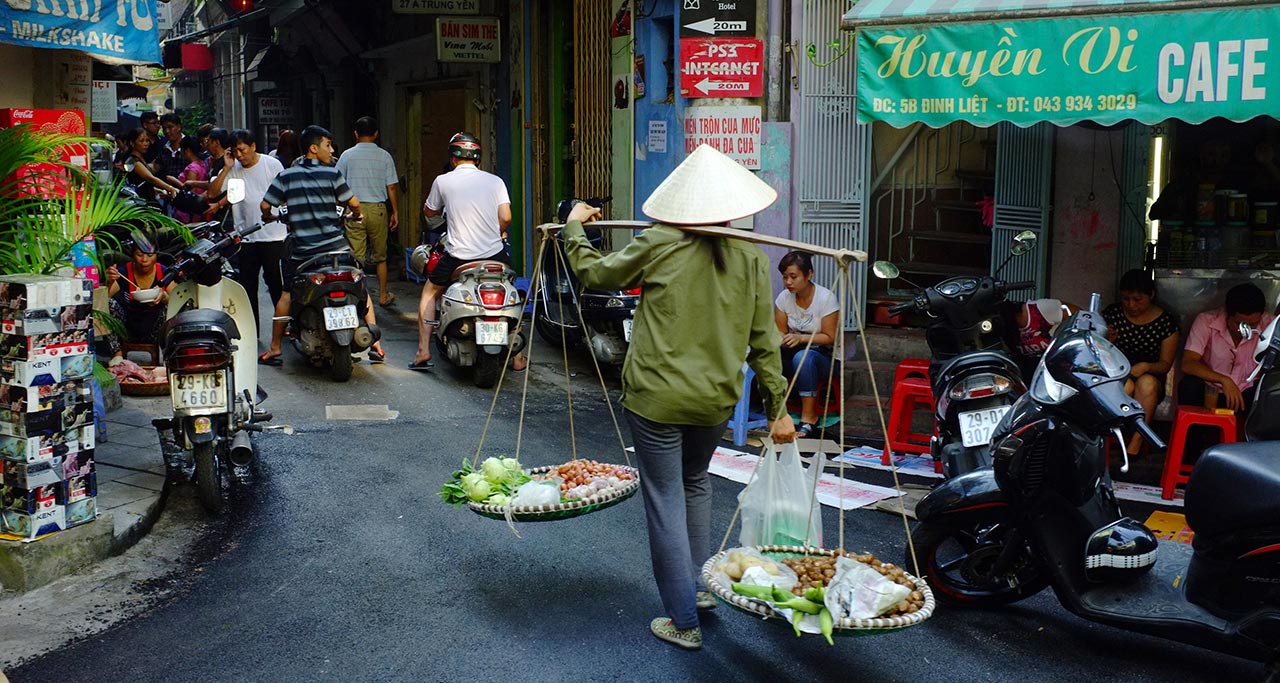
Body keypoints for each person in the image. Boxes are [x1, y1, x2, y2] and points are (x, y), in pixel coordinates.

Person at [562, 144, 797, 651]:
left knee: (666, 497)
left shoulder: (659, 240)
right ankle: (699, 590)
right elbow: (765, 343)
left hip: (656, 398)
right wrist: (778, 407)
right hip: (714, 400)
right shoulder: (754, 258)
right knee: (694, 485)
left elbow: (596, 275)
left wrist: (574, 227)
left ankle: (683, 619)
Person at [258, 125, 386, 365]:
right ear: (313, 148)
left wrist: (269, 217)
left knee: (286, 293)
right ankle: (376, 345)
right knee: (361, 288)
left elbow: (265, 206)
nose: (332, 149)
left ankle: (275, 348)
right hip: (336, 250)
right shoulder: (332, 174)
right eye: (328, 145)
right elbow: (354, 202)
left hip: (303, 252)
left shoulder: (286, 175)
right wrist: (356, 214)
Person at [411, 132, 525, 371]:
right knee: (511, 290)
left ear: (453, 159)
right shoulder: (495, 181)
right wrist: (497, 231)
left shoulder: (443, 181)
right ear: (478, 158)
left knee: (430, 293)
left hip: (458, 256)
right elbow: (506, 217)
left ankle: (423, 351)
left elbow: (430, 212)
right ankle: (517, 357)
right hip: (494, 254)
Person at [206, 129, 287, 335]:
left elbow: (285, 194)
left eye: (242, 150)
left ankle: (284, 327)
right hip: (246, 237)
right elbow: (213, 194)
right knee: (248, 286)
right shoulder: (233, 169)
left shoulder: (272, 164)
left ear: (253, 146)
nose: (240, 155)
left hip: (274, 235)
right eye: (235, 151)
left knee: (276, 284)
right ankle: (252, 329)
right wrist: (226, 167)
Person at [1102, 270, 1180, 453]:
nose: (1131, 305)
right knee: (1126, 385)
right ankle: (1111, 439)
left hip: (1151, 375)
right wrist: (1106, 341)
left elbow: (1165, 365)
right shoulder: (1112, 314)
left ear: (1151, 295)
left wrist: (1146, 366)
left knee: (1147, 384)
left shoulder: (1166, 323)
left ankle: (1136, 443)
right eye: (1126, 299)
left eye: (1138, 299)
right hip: (1117, 373)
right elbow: (1097, 351)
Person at [335, 117, 401, 307]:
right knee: (381, 257)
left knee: (357, 257)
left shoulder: (346, 156)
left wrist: (339, 208)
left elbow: (338, 184)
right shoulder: (385, 156)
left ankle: (357, 296)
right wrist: (395, 212)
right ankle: (382, 295)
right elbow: (392, 187)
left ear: (355, 133)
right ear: (376, 134)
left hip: (354, 209)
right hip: (378, 209)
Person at [773, 250, 840, 437]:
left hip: (826, 358)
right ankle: (774, 412)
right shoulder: (783, 298)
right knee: (769, 354)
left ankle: (809, 417)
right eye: (785, 277)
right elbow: (780, 330)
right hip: (793, 352)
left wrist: (801, 338)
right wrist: (779, 337)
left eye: (793, 276)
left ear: (809, 274)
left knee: (803, 357)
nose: (788, 282)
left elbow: (829, 336)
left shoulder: (826, 298)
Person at [1181, 283, 1275, 413]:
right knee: (1189, 385)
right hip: (1212, 389)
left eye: (1253, 324)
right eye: (1241, 324)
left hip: (1249, 392)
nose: (1246, 330)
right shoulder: (1206, 321)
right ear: (1227, 313)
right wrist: (1224, 380)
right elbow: (1188, 363)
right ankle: (1196, 432)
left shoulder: (1270, 325)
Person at [103, 232, 169, 365]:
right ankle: (117, 356)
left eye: (149, 255)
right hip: (128, 328)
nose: (144, 260)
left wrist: (164, 297)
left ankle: (167, 355)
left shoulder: (164, 273)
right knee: (108, 305)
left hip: (155, 330)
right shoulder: (124, 272)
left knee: (169, 308)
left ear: (156, 256)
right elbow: (105, 298)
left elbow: (179, 300)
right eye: (140, 255)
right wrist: (109, 281)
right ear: (133, 255)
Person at [1005, 298, 1077, 378]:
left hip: (1069, 362)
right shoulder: (1003, 336)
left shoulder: (1039, 310)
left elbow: (1080, 316)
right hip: (1039, 374)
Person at [121, 128, 180, 202]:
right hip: (139, 202)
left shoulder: (141, 158)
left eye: (147, 140)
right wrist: (170, 188)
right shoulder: (134, 161)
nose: (146, 144)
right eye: (141, 141)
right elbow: (150, 178)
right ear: (132, 143)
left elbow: (142, 183)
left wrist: (156, 190)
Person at [171, 136, 208, 224]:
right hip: (200, 210)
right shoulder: (204, 164)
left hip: (189, 214)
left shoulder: (192, 169)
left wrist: (174, 184)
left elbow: (190, 195)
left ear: (187, 150)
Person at [158, 113, 188, 184]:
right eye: (164, 128)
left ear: (179, 127)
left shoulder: (190, 144)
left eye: (170, 127)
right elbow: (156, 166)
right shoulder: (164, 148)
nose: (167, 131)